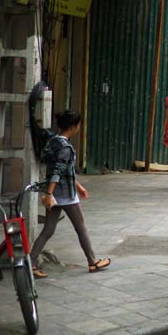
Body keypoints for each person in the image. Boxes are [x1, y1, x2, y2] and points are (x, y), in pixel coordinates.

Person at [31, 110, 111, 277]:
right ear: (74, 126)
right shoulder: (66, 147)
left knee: (48, 230)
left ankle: (30, 263)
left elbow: (61, 169)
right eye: (78, 125)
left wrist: (78, 186)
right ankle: (92, 262)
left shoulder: (52, 141)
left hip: (56, 194)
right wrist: (49, 193)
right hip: (65, 194)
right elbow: (59, 171)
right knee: (81, 227)